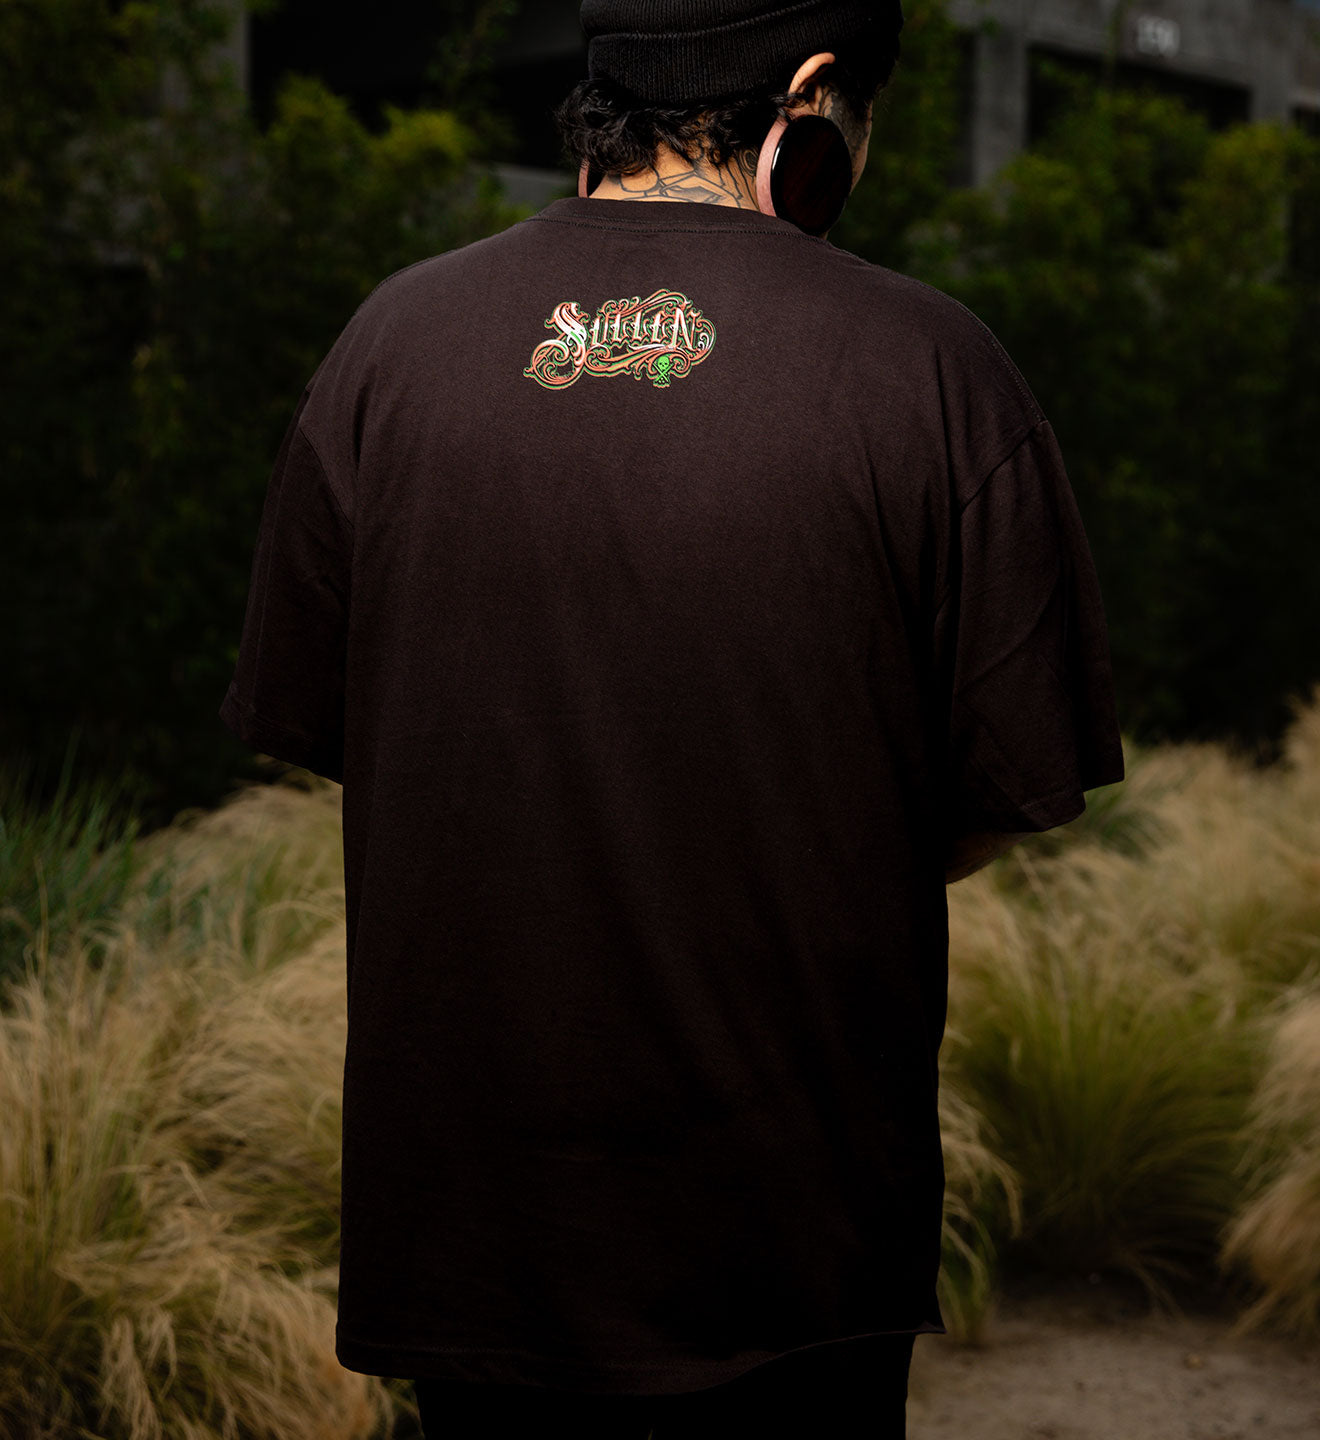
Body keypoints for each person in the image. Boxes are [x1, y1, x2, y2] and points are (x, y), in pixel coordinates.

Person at [219, 1, 1125, 1435]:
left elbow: (357, 741)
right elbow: (994, 795)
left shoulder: (387, 348)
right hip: (795, 1252)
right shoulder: (937, 371)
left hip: (475, 1250)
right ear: (817, 94)